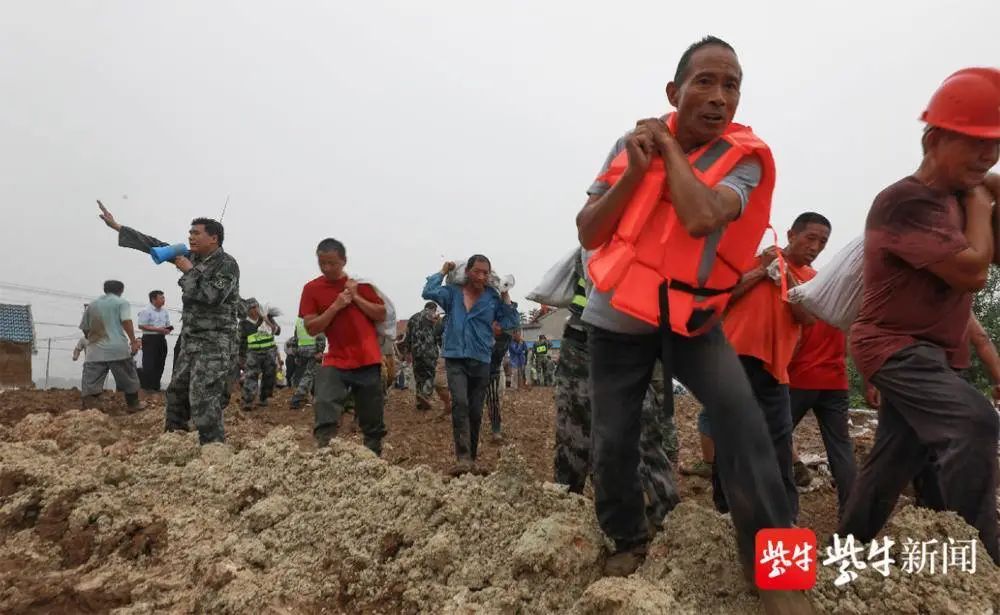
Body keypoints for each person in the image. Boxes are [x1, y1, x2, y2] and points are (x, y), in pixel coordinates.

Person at [575, 36, 804, 608]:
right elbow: (588, 231)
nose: (718, 97)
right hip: (618, 319)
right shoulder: (628, 147)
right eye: (704, 81)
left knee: (745, 428)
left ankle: (780, 574)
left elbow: (702, 216)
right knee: (613, 439)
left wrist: (670, 152)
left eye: (731, 86)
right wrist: (636, 169)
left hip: (693, 321)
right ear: (674, 92)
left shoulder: (746, 158)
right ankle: (626, 536)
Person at [839, 67, 1000, 565]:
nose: (987, 155)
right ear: (932, 139)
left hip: (938, 354)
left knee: (891, 464)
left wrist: (982, 190)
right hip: (893, 346)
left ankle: (844, 552)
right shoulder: (905, 202)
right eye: (974, 142)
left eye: (994, 145)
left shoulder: (960, 200)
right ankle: (986, 561)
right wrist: (979, 195)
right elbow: (973, 271)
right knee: (975, 424)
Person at [709, 212, 830, 520]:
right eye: (810, 238)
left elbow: (808, 318)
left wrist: (787, 279)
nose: (815, 247)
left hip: (776, 368)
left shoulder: (811, 279)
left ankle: (785, 513)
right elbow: (724, 298)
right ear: (791, 234)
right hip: (734, 359)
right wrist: (762, 273)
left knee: (778, 440)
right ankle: (725, 506)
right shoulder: (757, 260)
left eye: (823, 242)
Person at [97, 202, 240, 444]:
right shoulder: (191, 256)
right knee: (176, 393)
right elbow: (156, 245)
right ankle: (173, 443)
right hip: (191, 339)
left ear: (213, 238)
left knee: (204, 395)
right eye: (190, 233)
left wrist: (189, 272)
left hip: (216, 342)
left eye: (197, 233)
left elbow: (213, 297)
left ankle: (213, 447)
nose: (190, 237)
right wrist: (117, 227)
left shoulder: (226, 264)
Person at [553, 251, 679, 526]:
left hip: (628, 345)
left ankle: (667, 516)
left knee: (642, 431)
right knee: (574, 435)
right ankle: (563, 517)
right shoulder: (599, 240)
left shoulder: (655, 242)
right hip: (582, 343)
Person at [423, 256, 519, 475]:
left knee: (476, 411)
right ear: (467, 272)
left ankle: (471, 459)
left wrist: (504, 294)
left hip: (481, 359)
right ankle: (463, 457)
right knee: (460, 403)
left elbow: (510, 322)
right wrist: (442, 271)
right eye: (477, 271)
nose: (481, 276)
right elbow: (428, 292)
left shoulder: (492, 299)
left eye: (486, 273)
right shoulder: (453, 295)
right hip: (455, 357)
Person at [299, 238, 387, 455]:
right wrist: (335, 306)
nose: (327, 268)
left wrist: (355, 297)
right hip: (336, 358)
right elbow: (311, 327)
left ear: (344, 261)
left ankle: (373, 457)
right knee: (324, 402)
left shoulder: (360, 285)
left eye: (332, 263)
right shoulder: (312, 289)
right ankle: (325, 452)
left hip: (368, 358)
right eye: (322, 264)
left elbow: (380, 313)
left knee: (371, 415)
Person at [786, 314, 857, 516]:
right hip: (835, 379)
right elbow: (846, 348)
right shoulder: (839, 290)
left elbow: (796, 340)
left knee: (772, 437)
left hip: (799, 376)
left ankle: (782, 515)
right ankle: (851, 517)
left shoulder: (797, 286)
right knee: (841, 448)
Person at [79, 280, 143, 411]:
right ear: (121, 291)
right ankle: (133, 405)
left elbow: (85, 328)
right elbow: (126, 321)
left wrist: (92, 339)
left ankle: (91, 409)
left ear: (105, 290)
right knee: (128, 378)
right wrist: (133, 341)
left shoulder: (92, 305)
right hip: (117, 349)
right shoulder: (122, 303)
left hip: (94, 350)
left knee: (91, 381)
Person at [239, 298, 281, 409]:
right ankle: (248, 401)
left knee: (269, 375)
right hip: (253, 352)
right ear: (247, 310)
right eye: (252, 308)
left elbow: (278, 331)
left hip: (269, 352)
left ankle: (264, 398)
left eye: (256, 306)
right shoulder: (244, 323)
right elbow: (242, 340)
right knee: (251, 376)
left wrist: (271, 324)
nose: (255, 310)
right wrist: (241, 357)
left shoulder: (268, 318)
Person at [407, 302, 444, 410]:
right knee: (430, 374)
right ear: (434, 308)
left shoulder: (413, 318)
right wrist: (442, 348)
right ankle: (425, 395)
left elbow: (408, 337)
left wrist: (408, 352)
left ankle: (419, 401)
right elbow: (438, 334)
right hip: (429, 351)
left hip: (416, 351)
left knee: (419, 375)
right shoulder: (434, 317)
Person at [136, 290, 172, 392]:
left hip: (161, 338)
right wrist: (158, 329)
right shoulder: (146, 310)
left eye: (163, 298)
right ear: (153, 299)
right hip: (150, 338)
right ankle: (147, 387)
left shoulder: (164, 311)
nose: (163, 300)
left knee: (160, 362)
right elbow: (141, 325)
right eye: (161, 298)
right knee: (149, 363)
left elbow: (167, 324)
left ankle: (156, 386)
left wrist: (167, 329)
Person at [290, 317, 326, 409]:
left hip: (301, 349)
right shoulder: (316, 316)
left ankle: (305, 395)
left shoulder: (299, 319)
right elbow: (320, 335)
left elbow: (295, 337)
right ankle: (297, 398)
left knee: (302, 374)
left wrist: (295, 351)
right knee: (309, 375)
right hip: (313, 350)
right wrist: (320, 351)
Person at [485, 322, 513, 441]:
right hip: (473, 368)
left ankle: (496, 429)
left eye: (500, 325)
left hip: (491, 370)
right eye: (495, 324)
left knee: (493, 400)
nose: (498, 327)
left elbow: (497, 356)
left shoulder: (505, 338)